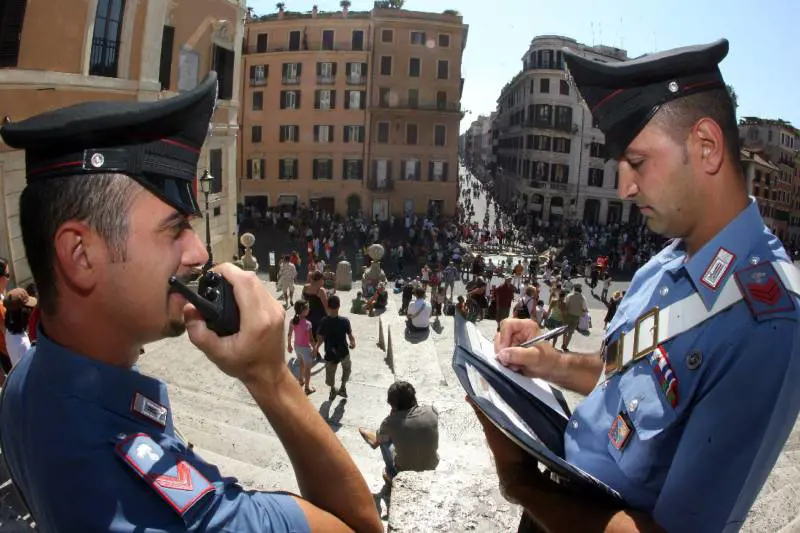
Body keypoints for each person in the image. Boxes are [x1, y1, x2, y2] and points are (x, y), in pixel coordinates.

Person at [0, 73, 382, 533]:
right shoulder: (199, 521)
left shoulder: (25, 381)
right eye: (173, 228)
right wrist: (271, 377)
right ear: (81, 255)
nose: (199, 253)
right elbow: (361, 526)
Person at [481, 39, 800, 532]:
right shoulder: (669, 256)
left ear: (707, 147)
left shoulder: (769, 324)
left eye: (638, 162)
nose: (623, 187)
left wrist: (520, 483)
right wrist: (549, 363)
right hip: (558, 504)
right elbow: (625, 380)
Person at [358, 381, 439, 482]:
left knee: (384, 440)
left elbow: (380, 439)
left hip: (405, 471)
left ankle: (391, 473)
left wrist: (392, 417)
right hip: (432, 465)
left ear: (393, 406)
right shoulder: (432, 410)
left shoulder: (390, 422)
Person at [314, 295, 355, 401]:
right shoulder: (345, 321)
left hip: (330, 353)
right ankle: (343, 387)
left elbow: (320, 339)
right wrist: (353, 343)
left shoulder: (323, 322)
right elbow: (350, 336)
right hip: (343, 351)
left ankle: (333, 390)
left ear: (328, 307)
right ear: (339, 306)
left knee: (330, 374)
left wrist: (316, 348)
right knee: (347, 369)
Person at [3, 288, 37, 367]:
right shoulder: (23, 345)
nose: (31, 311)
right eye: (29, 309)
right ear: (23, 314)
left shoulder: (9, 331)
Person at [287, 300, 315, 395]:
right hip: (305, 348)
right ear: (303, 310)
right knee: (308, 368)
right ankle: (307, 388)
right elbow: (311, 339)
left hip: (297, 347)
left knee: (301, 363)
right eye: (307, 308)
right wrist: (315, 348)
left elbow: (289, 334)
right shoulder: (308, 323)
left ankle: (300, 380)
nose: (309, 309)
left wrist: (289, 345)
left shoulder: (293, 321)